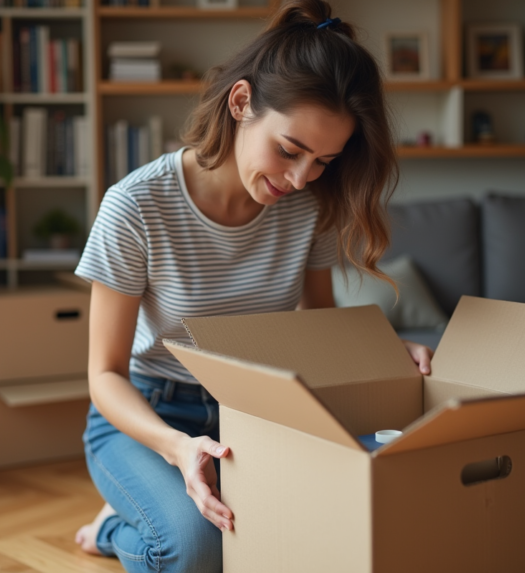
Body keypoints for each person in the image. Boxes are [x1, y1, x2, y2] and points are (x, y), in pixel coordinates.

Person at [73, 0, 433, 570]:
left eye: (323, 161)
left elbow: (319, 327)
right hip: (152, 420)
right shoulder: (136, 206)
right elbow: (104, 375)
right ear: (241, 103)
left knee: (350, 517)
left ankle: (150, 513)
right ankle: (117, 524)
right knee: (197, 553)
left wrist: (385, 352)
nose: (300, 178)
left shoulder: (307, 207)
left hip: (256, 412)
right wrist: (177, 448)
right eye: (290, 150)